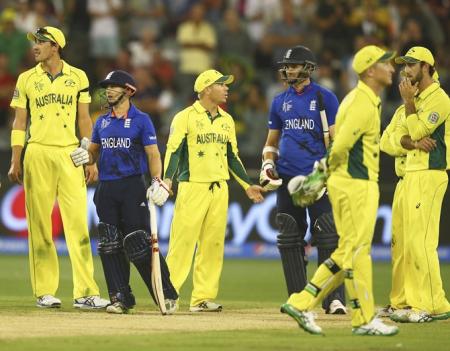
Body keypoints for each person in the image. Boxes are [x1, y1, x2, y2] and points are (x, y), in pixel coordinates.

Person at [280, 45, 399, 336]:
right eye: (386, 64)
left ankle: (306, 302)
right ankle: (361, 317)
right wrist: (320, 177)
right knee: (358, 252)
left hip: (353, 183)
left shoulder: (363, 99)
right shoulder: (360, 102)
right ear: (371, 70)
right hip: (355, 184)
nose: (392, 69)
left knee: (350, 252)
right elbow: (341, 145)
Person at [8, 26, 108, 309]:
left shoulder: (78, 77)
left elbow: (85, 120)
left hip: (69, 154)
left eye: (41, 42)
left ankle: (85, 292)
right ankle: (45, 292)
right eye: (34, 42)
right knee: (40, 224)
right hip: (37, 151)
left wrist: (88, 153)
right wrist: (16, 158)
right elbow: (19, 123)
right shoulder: (26, 78)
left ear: (55, 46)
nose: (35, 46)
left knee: (78, 225)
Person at [70, 70, 179, 314]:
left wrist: (157, 181)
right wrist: (84, 156)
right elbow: (94, 152)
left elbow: (153, 153)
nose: (108, 90)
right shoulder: (102, 121)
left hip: (132, 186)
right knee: (110, 244)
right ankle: (120, 298)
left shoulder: (141, 120)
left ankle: (167, 294)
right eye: (107, 86)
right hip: (106, 188)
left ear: (129, 91)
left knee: (139, 244)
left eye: (114, 86)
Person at [163, 69, 265, 312]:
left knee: (213, 245)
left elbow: (232, 156)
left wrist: (247, 184)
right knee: (182, 244)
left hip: (220, 188)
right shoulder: (185, 117)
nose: (227, 89)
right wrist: (168, 180)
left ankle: (202, 298)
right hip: (193, 187)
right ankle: (169, 294)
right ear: (207, 88)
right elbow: (174, 151)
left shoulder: (226, 120)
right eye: (222, 85)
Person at [260, 45, 346, 314]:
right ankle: (298, 299)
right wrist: (267, 164)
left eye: (293, 66)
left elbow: (335, 141)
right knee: (289, 235)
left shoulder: (325, 98)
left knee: (328, 235)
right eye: (286, 66)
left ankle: (334, 299)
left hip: (318, 178)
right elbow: (272, 141)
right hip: (287, 178)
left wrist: (324, 174)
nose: (287, 70)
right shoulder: (278, 101)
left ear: (308, 68)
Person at [388, 47, 450, 322]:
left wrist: (410, 106)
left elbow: (414, 129)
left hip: (430, 173)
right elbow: (389, 140)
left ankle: (433, 305)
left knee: (421, 242)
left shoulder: (440, 99)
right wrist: (412, 143)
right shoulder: (411, 101)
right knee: (403, 243)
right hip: (411, 172)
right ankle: (407, 302)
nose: (405, 70)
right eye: (404, 65)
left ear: (426, 66)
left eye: (411, 65)